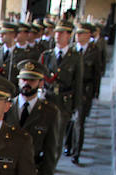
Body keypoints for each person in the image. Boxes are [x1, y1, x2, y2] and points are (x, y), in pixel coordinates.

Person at [39, 20, 83, 159]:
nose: (58, 35)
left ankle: (52, 165)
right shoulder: (47, 55)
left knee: (57, 138)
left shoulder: (75, 57)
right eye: (57, 32)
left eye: (62, 32)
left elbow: (78, 83)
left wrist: (75, 108)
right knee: (42, 134)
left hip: (63, 103)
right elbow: (40, 79)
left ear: (69, 35)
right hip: (48, 99)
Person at [70, 23, 103, 165]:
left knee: (79, 122)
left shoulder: (94, 52)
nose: (78, 36)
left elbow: (97, 73)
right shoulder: (71, 50)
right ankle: (68, 145)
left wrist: (96, 91)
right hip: (71, 90)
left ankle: (76, 152)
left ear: (89, 35)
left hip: (85, 90)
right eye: (77, 33)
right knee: (69, 120)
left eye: (81, 33)